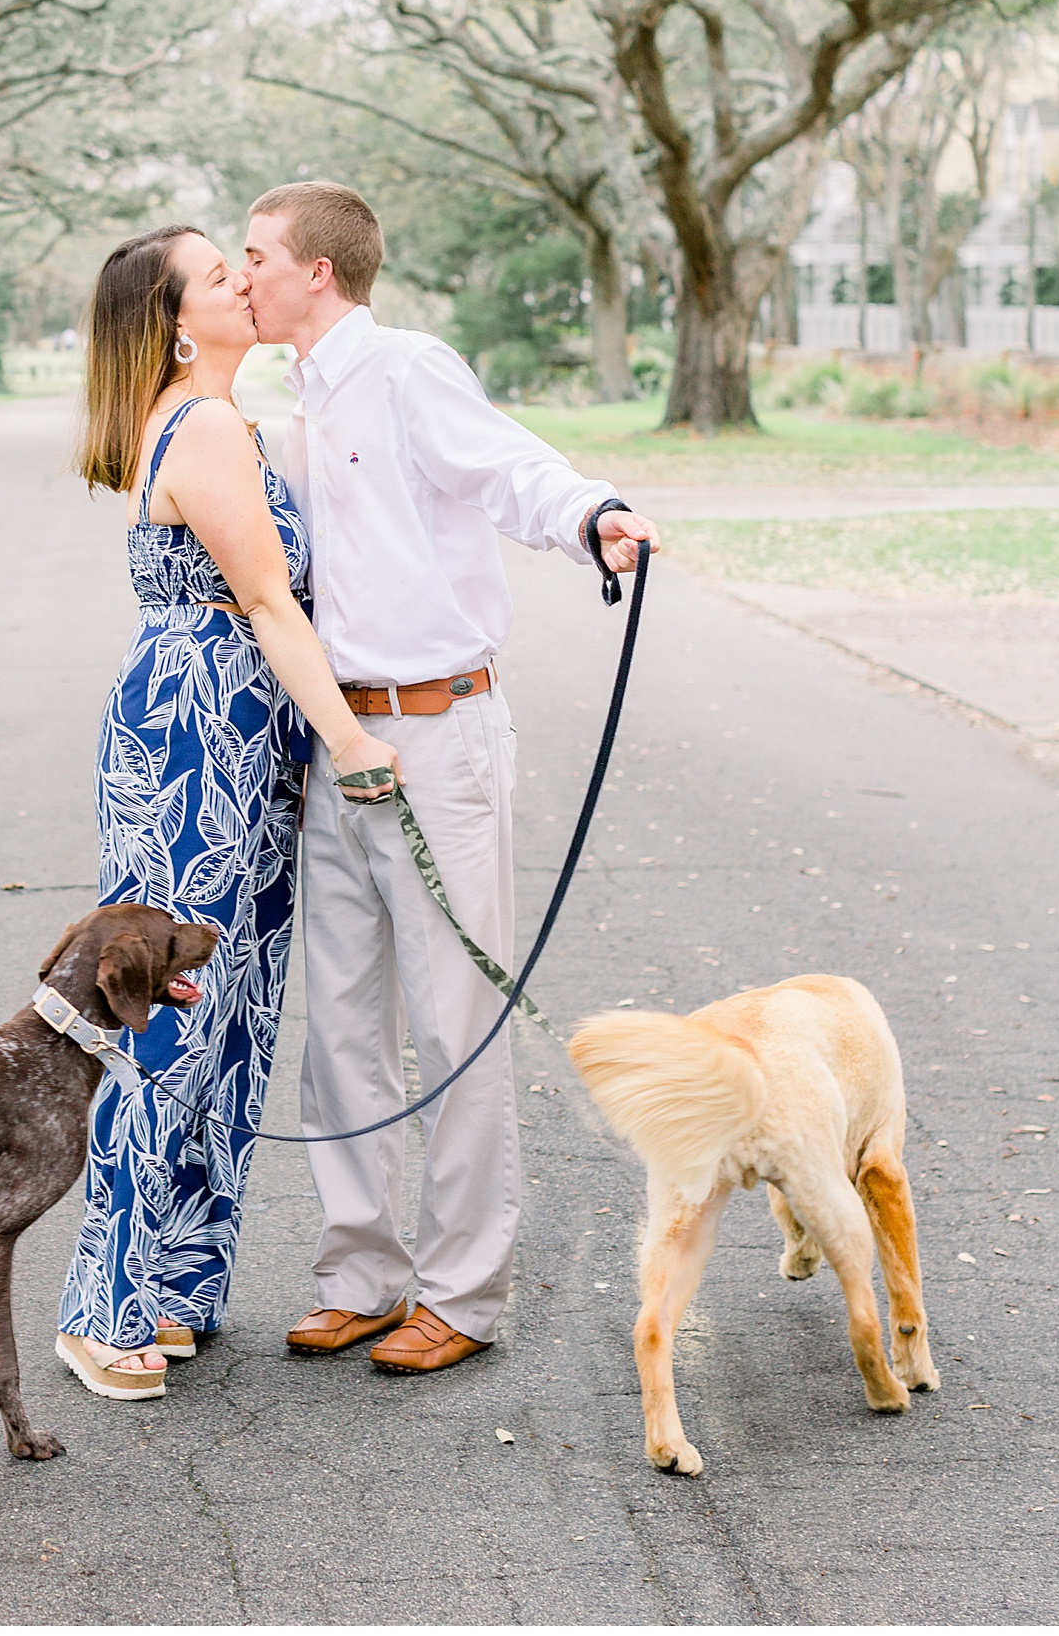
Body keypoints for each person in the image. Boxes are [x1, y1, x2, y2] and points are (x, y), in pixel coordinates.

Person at [241, 180, 662, 1375]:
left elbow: (513, 469)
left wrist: (597, 515)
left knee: (456, 1015)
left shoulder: (410, 367)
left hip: (439, 734)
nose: (246, 271)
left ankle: (464, 1294)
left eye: (260, 254)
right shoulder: (297, 397)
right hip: (336, 740)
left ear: (318, 270)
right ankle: (361, 1273)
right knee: (344, 1027)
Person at [54, 223, 395, 1402]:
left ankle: (177, 1282)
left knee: (238, 1013)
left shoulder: (223, 421)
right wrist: (351, 739)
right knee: (169, 1016)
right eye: (218, 273)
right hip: (191, 742)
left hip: (244, 740)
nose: (244, 279)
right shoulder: (199, 426)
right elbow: (262, 598)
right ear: (175, 321)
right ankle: (100, 1305)